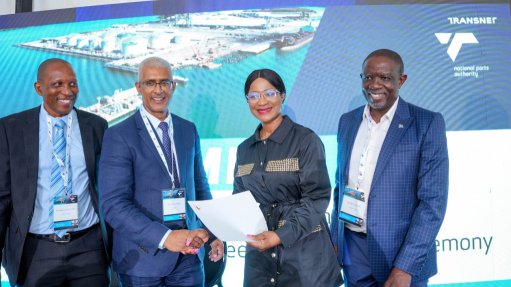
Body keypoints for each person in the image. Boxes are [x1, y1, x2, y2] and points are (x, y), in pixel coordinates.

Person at [99, 57, 223, 287]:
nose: (158, 90)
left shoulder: (188, 129)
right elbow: (114, 204)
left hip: (189, 255)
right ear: (138, 87)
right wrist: (165, 238)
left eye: (164, 83)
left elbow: (200, 185)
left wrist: (213, 232)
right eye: (150, 83)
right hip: (142, 261)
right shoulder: (119, 135)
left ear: (173, 86)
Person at [330, 49, 449, 287]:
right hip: (352, 251)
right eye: (368, 77)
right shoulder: (347, 121)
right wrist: (336, 240)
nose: (375, 84)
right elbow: (341, 185)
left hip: (400, 255)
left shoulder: (426, 123)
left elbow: (432, 203)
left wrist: (405, 266)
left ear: (401, 80)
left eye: (384, 78)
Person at [0, 58, 111, 286]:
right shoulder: (10, 128)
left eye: (72, 84)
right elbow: (2, 197)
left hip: (89, 248)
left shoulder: (97, 126)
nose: (67, 91)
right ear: (39, 88)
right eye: (57, 84)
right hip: (36, 251)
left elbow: (108, 188)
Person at [233, 69, 342, 286]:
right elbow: (238, 198)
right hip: (260, 257)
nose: (261, 102)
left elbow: (317, 198)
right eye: (253, 96)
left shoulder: (306, 140)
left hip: (305, 255)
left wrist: (280, 235)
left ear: (282, 95)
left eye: (269, 93)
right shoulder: (244, 149)